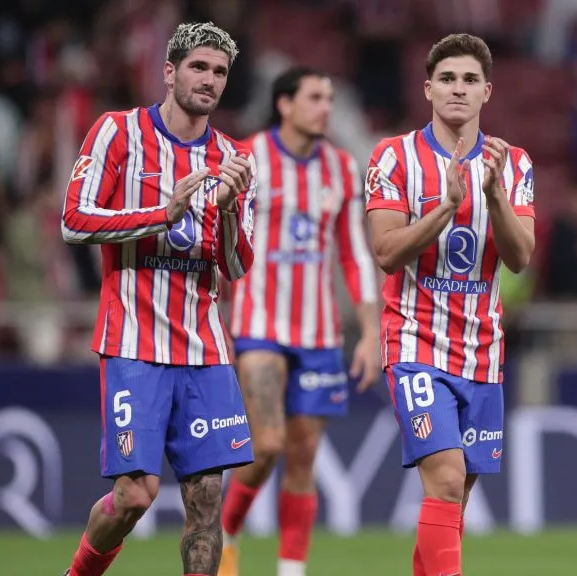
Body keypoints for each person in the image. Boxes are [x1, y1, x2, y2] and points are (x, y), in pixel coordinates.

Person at [59, 21, 258, 576]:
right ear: (169, 72)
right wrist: (161, 215)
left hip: (204, 349)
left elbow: (237, 265)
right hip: (133, 343)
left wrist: (230, 208)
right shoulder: (117, 132)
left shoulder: (234, 157)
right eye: (199, 67)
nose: (210, 80)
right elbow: (74, 220)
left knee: (207, 500)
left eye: (220, 72)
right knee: (135, 497)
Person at [364, 33, 536, 576]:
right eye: (446, 79)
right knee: (442, 477)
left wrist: (494, 197)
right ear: (427, 89)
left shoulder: (513, 162)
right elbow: (387, 253)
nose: (457, 89)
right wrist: (445, 208)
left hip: (482, 351)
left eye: (468, 81)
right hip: (415, 340)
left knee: (454, 499)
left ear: (487, 91)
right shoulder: (392, 156)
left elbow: (520, 257)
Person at [217, 66, 380, 576]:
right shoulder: (248, 158)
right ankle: (226, 531)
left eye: (330, 97)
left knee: (304, 452)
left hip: (319, 335)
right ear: (284, 104)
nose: (325, 107)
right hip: (259, 325)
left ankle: (291, 570)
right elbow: (220, 237)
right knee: (265, 445)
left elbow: (354, 255)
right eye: (315, 97)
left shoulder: (341, 169)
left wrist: (372, 332)